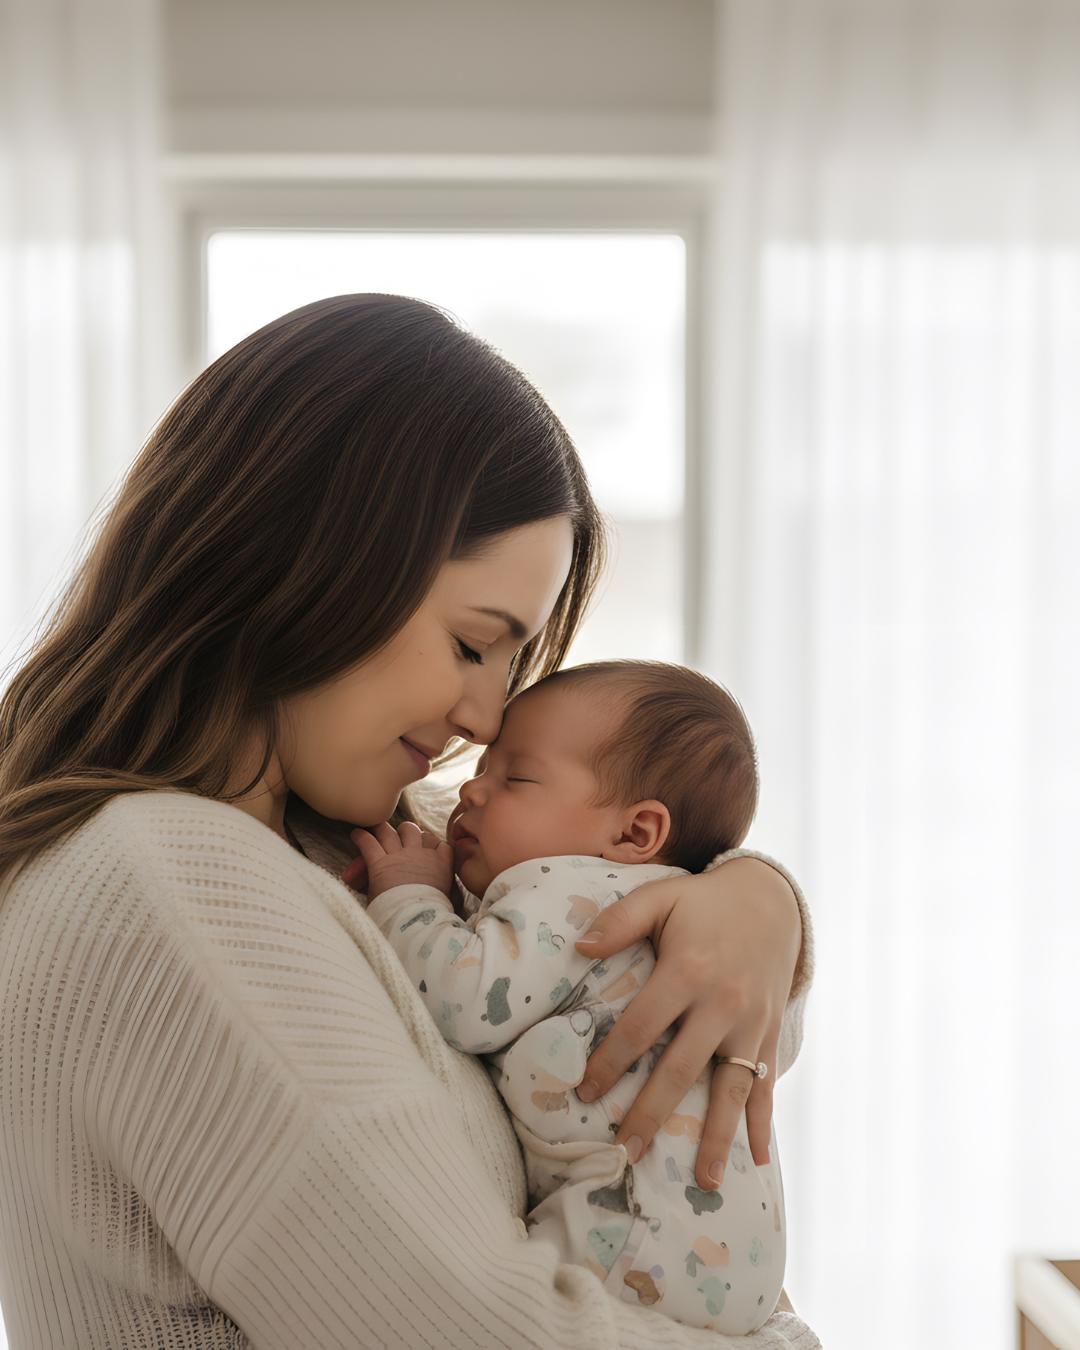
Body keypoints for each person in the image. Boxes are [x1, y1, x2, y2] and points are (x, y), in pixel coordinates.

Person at [0, 294, 817, 1349]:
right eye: (475, 647)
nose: (486, 718)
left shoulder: (345, 843)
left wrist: (756, 897)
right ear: (309, 561)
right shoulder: (175, 892)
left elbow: (625, 931)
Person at [358, 660, 792, 1335]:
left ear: (634, 835)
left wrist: (410, 894)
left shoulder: (574, 891)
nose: (471, 790)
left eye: (516, 777)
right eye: (484, 767)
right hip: (727, 1255)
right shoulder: (658, 904)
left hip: (627, 1229)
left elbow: (464, 1002)